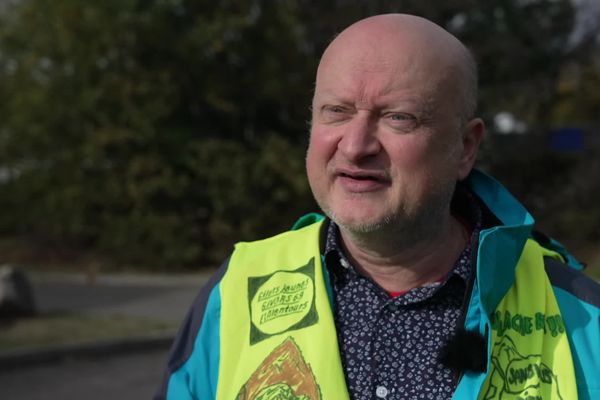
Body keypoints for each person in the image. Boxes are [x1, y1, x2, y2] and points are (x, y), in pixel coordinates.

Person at [155, 14, 600, 400]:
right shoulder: (234, 292)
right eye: (336, 111)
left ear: (465, 147)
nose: (355, 146)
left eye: (398, 118)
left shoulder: (580, 315)